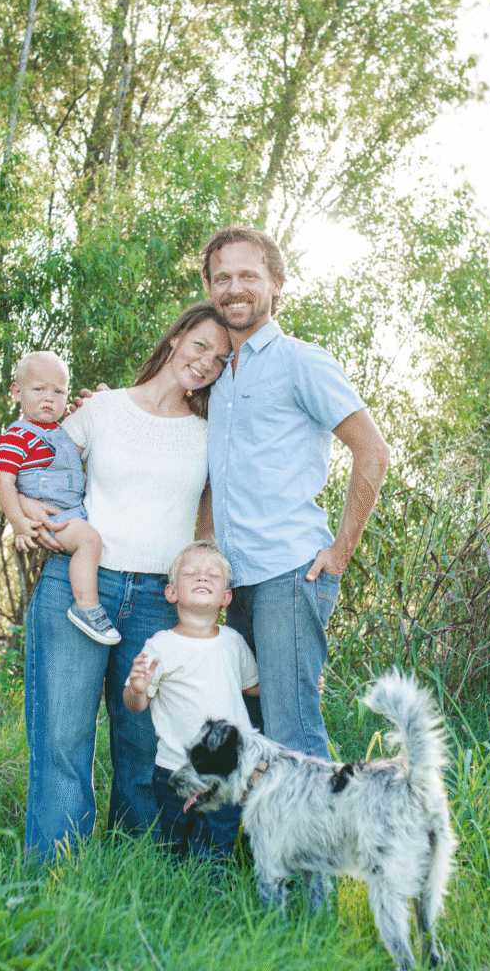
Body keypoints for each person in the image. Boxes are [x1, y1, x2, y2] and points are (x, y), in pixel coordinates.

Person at [15, 301, 232, 861]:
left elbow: (205, 521)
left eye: (221, 357)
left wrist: (201, 586)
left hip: (161, 600)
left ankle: (135, 872)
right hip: (80, 585)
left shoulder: (211, 433)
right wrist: (26, 516)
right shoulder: (102, 409)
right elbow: (33, 457)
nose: (206, 361)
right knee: (62, 737)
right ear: (177, 336)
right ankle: (55, 873)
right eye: (200, 344)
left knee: (143, 742)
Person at [201, 224, 391, 761]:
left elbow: (372, 451)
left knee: (295, 737)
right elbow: (216, 474)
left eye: (247, 275)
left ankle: (321, 849)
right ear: (211, 290)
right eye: (222, 278)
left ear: (277, 283)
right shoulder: (217, 375)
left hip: (288, 572)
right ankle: (266, 847)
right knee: (250, 734)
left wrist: (340, 553)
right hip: (235, 582)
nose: (234, 288)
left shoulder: (303, 361)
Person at [123, 540, 258, 862]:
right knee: (177, 850)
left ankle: (212, 899)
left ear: (226, 597)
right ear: (171, 593)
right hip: (174, 770)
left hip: (226, 772)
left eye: (213, 575)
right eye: (191, 573)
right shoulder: (160, 646)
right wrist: (138, 688)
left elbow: (252, 687)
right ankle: (178, 900)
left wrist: (301, 684)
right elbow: (135, 704)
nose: (202, 578)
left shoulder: (233, 642)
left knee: (216, 849)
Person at [0, 351, 120, 645]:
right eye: (38, 389)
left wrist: (98, 404)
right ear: (16, 392)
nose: (48, 398)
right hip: (55, 516)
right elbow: (4, 479)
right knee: (89, 541)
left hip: (73, 509)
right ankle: (87, 607)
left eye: (58, 391)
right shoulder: (16, 436)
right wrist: (19, 523)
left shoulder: (62, 431)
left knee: (90, 540)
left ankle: (86, 602)